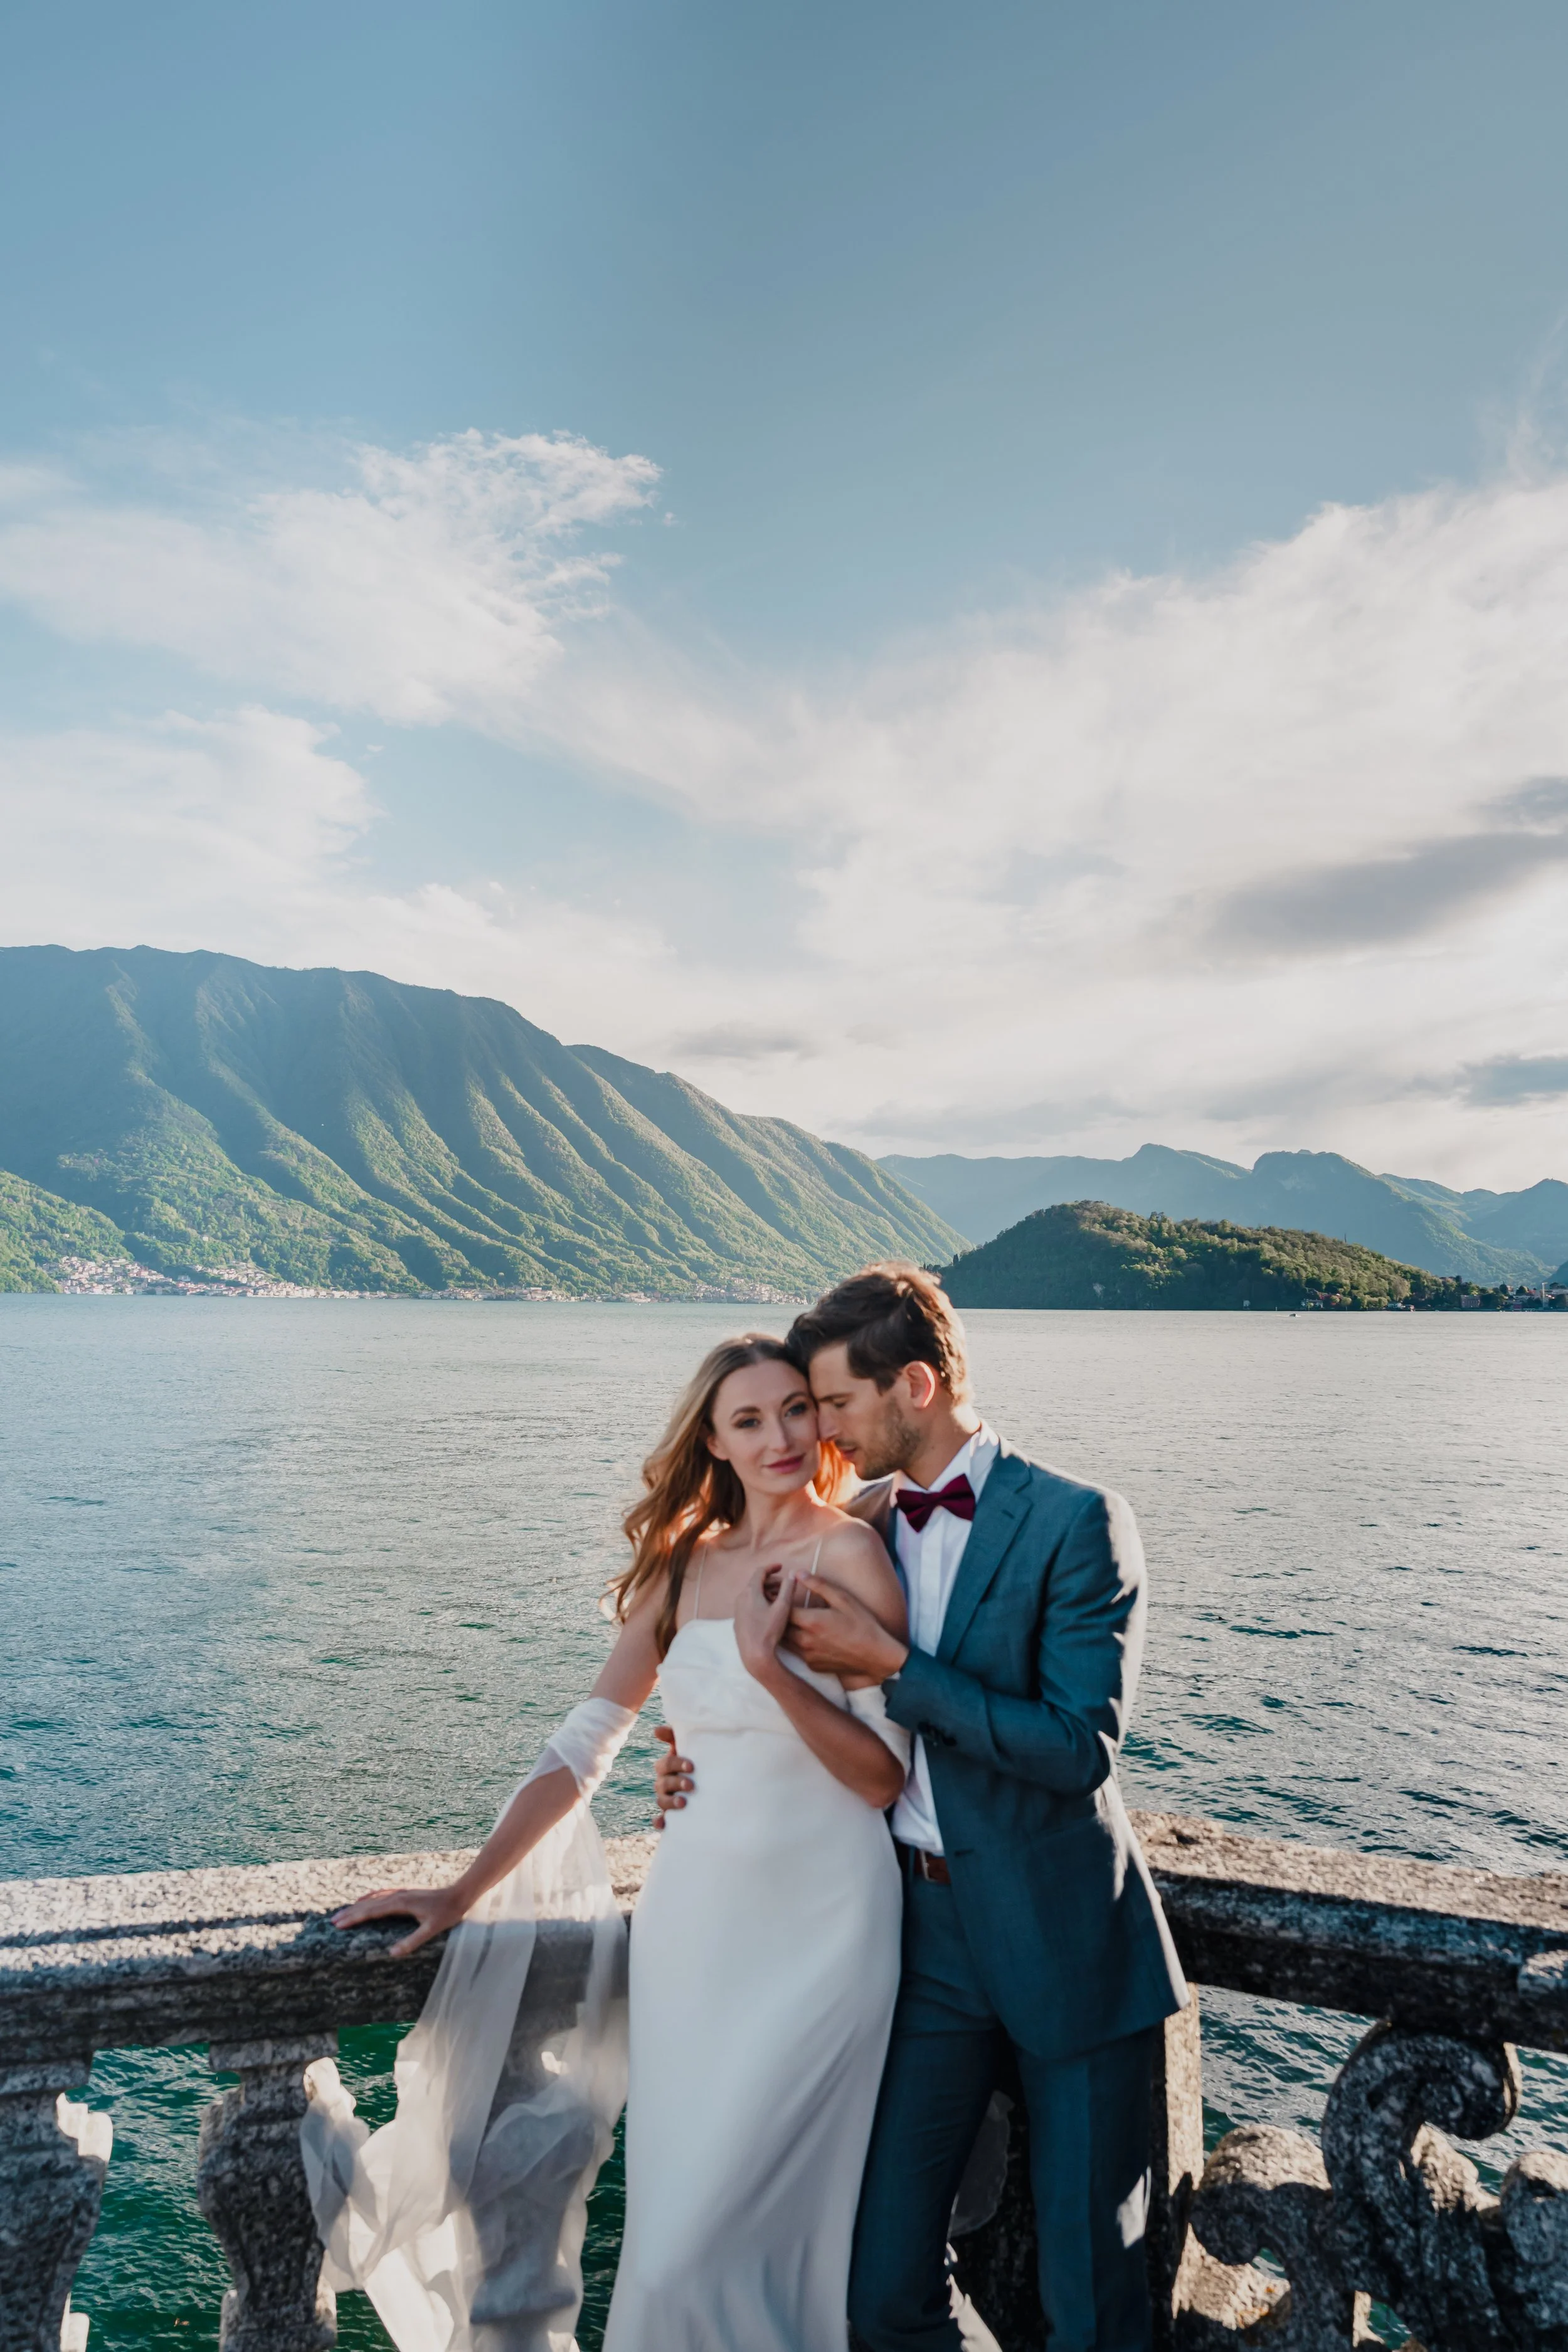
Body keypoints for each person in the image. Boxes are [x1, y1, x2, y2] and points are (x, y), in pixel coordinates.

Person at [320, 1333, 912, 2352]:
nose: (779, 1436)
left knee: (747, 2234)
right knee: (670, 2233)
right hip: (693, 1932)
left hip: (827, 1931)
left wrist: (769, 1674)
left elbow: (882, 1775)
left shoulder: (852, 1554)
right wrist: (462, 1890)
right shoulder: (682, 1565)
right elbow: (587, 1746)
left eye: (794, 1410)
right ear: (713, 1441)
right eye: (748, 1419)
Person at [655, 1264, 1187, 2352]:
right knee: (882, 2283)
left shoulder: (1081, 1521)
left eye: (836, 1403)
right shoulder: (855, 1526)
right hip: (912, 1937)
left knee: (1093, 2290)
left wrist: (899, 1666)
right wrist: (689, 1749)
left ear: (916, 1385)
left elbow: (1077, 1746)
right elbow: (776, 1694)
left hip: (1065, 1935)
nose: (821, 1432)